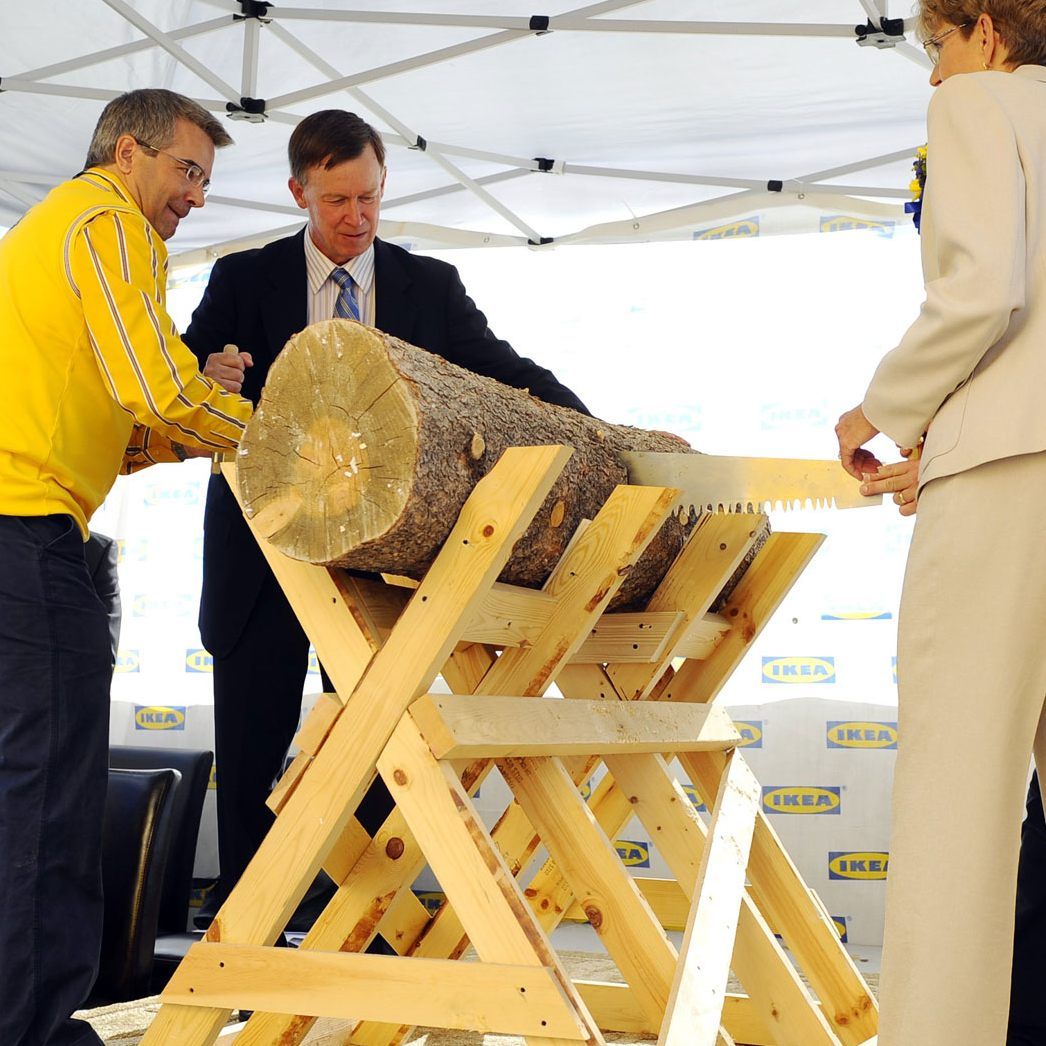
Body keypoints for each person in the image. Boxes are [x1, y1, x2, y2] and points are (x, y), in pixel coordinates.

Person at [182, 109, 589, 928]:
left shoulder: (428, 287)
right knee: (254, 744)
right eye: (335, 200)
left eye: (369, 196)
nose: (356, 218)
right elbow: (183, 374)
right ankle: (245, 923)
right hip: (261, 556)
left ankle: (358, 926)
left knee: (371, 750)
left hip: (380, 560)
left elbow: (503, 373)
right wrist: (207, 372)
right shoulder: (241, 279)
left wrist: (593, 430)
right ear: (297, 191)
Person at [0, 89, 252, 1046]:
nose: (193, 196)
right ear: (129, 150)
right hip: (26, 538)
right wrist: (278, 442)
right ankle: (35, 1032)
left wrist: (193, 420)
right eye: (186, 170)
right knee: (50, 804)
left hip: (18, 528)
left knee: (28, 792)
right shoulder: (109, 221)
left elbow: (131, 422)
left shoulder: (56, 228)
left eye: (205, 181)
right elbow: (155, 382)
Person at [835, 5, 1046, 1043]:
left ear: (988, 34)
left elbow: (980, 292)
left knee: (954, 800)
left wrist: (882, 410)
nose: (932, 79)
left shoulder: (978, 104)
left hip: (1004, 487)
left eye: (935, 48)